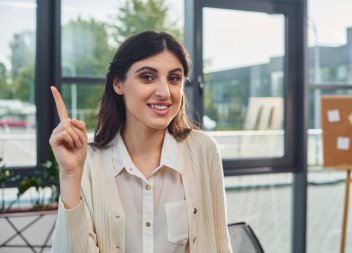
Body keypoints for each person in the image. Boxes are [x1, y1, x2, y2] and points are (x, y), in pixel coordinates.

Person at [50, 31, 232, 253]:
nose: (164, 92)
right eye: (147, 77)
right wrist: (70, 177)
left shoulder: (203, 150)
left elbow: (219, 243)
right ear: (118, 84)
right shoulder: (88, 162)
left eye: (174, 78)